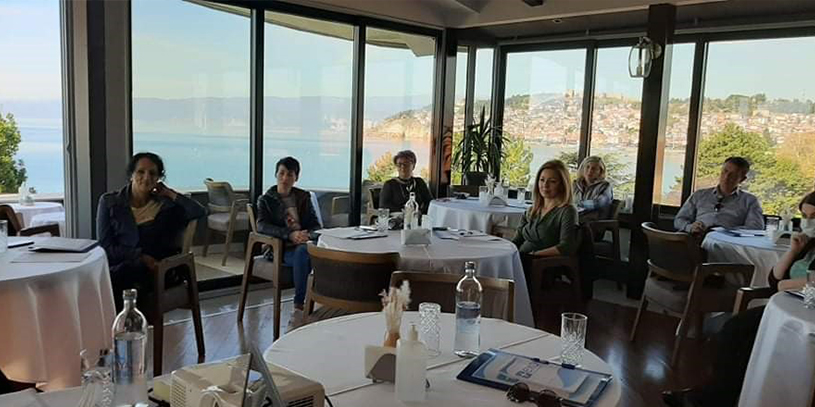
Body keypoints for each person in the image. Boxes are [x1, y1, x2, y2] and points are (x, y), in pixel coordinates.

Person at [662, 191, 815, 407]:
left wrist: (786, 285)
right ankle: (719, 396)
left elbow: (804, 282)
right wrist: (793, 251)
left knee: (742, 337)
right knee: (732, 331)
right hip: (785, 306)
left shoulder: (749, 200)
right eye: (805, 216)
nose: (808, 222)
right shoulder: (808, 244)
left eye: (813, 217)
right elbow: (774, 280)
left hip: (805, 315)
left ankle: (712, 398)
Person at [97, 152, 207, 311]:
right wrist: (139, 256)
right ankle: (123, 323)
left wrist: (170, 193)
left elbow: (199, 211)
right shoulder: (109, 202)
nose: (146, 177)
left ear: (159, 178)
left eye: (152, 173)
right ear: (131, 175)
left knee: (115, 281)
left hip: (157, 271)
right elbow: (105, 247)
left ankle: (125, 323)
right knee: (106, 278)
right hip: (122, 266)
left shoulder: (167, 206)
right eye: (141, 172)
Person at [256, 157, 321, 327]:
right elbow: (261, 226)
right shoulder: (266, 200)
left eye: (290, 174)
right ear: (276, 175)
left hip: (304, 244)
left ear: (296, 177)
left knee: (313, 253)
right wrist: (290, 235)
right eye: (281, 173)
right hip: (281, 248)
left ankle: (322, 304)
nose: (285, 178)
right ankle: (299, 306)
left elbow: (316, 225)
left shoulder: (303, 197)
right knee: (303, 253)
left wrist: (307, 234)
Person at [674, 156, 764, 238]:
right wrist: (690, 227)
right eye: (725, 171)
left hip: (727, 243)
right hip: (695, 240)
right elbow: (679, 220)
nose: (726, 177)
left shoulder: (749, 201)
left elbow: (755, 227)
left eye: (733, 174)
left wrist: (727, 231)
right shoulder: (699, 195)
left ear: (742, 179)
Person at [512, 160, 579, 257]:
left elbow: (566, 247)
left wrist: (533, 255)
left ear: (562, 185)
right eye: (542, 180)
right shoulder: (531, 210)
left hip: (541, 263)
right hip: (519, 258)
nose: (545, 185)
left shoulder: (567, 211)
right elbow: (516, 241)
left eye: (552, 181)